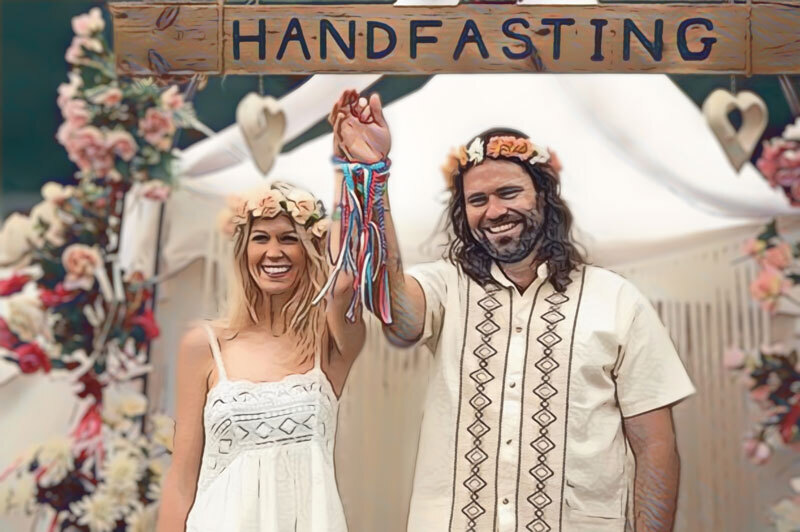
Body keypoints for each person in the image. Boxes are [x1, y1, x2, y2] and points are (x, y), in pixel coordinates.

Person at [329, 91, 696, 532]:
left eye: (509, 193)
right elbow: (395, 311)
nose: (495, 211)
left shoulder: (617, 301)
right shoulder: (449, 286)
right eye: (477, 200)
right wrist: (372, 175)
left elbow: (655, 446)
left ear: (543, 196)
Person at [156, 181, 364, 531]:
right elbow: (181, 481)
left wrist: (359, 166)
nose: (274, 252)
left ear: (311, 248)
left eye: (288, 238)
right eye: (260, 238)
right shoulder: (204, 346)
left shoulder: (329, 344)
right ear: (242, 251)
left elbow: (344, 283)